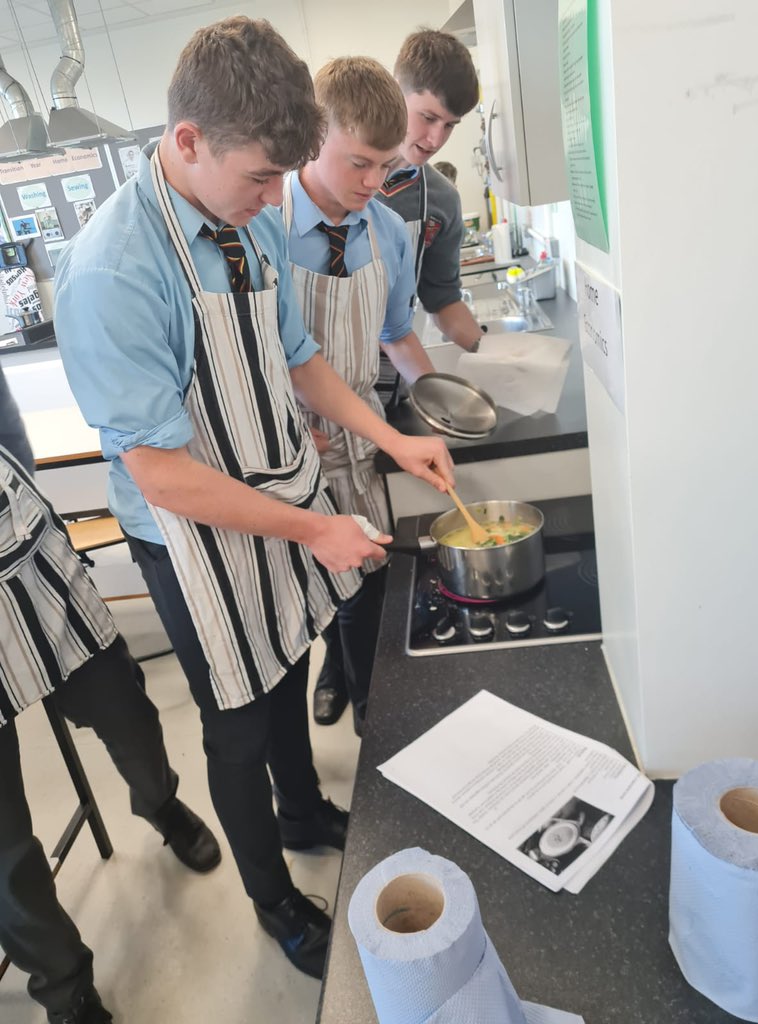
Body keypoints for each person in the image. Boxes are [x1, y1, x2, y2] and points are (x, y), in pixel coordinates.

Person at [54, 17, 453, 981]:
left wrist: (393, 435)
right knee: (237, 715)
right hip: (192, 536)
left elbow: (299, 356)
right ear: (187, 142)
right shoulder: (114, 270)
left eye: (284, 177)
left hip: (275, 492)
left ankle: (305, 809)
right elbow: (160, 471)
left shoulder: (249, 219)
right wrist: (317, 524)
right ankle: (274, 903)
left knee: (286, 667)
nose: (277, 199)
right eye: (261, 180)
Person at [0, 364, 221, 1024]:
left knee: (127, 711)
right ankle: (65, 986)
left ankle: (161, 803)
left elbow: (8, 428)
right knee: (2, 843)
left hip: (26, 558)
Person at [282, 57, 436, 734]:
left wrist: (438, 406)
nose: (376, 184)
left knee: (368, 592)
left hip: (362, 436)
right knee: (310, 597)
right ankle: (333, 671)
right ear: (314, 139)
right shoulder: (261, 228)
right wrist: (281, 426)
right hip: (288, 450)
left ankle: (376, 717)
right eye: (358, 165)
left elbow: (397, 336)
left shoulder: (389, 233)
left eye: (387, 166)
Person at [376, 29, 484, 380]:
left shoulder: (442, 201)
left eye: (450, 125)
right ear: (394, 91)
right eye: (428, 117)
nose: (437, 139)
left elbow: (442, 300)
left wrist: (495, 352)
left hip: (397, 379)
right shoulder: (326, 180)